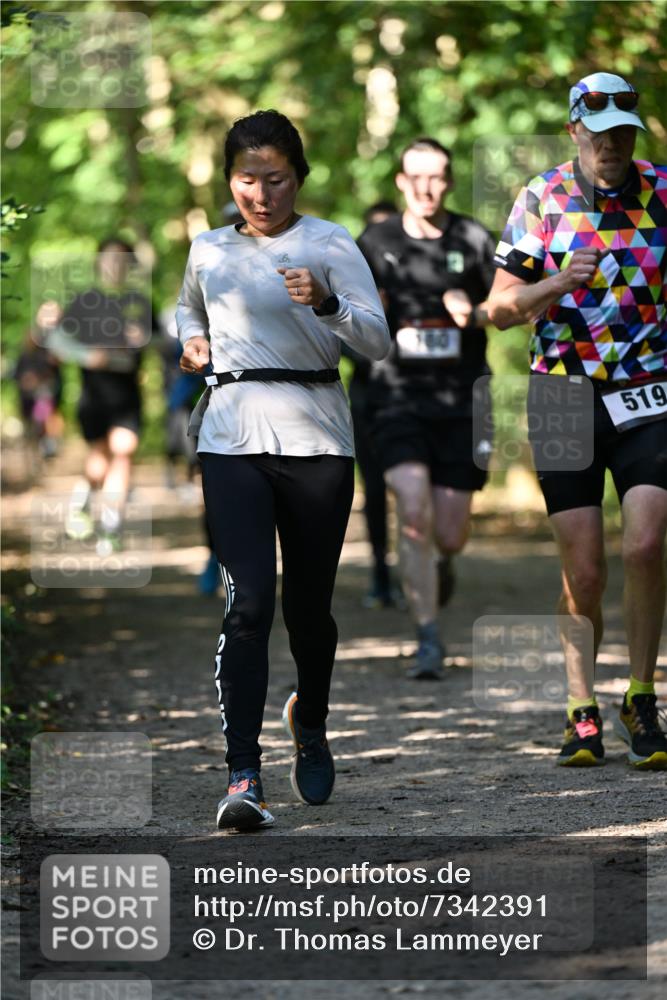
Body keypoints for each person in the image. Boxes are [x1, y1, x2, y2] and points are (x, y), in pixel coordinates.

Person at [176, 110, 390, 831]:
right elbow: (186, 310)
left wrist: (327, 303)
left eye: (275, 179)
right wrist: (196, 341)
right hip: (231, 436)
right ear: (228, 180)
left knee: (307, 611)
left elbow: (378, 342)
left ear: (297, 176)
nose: (261, 194)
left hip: (318, 438)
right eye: (246, 180)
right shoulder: (206, 248)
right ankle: (243, 776)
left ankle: (312, 720)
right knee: (247, 606)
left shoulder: (329, 242)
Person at [487, 72, 667, 770]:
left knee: (646, 545)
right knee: (583, 569)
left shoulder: (660, 190)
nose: (612, 145)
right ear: (574, 132)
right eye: (599, 134)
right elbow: (498, 311)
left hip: (647, 388)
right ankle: (579, 706)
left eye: (623, 131)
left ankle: (641, 695)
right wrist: (557, 282)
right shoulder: (541, 198)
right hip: (560, 392)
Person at [358, 139, 496, 679]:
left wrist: (476, 311)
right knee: (412, 511)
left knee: (450, 532)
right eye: (416, 177)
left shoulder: (473, 238)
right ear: (400, 182)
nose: (426, 188)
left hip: (463, 401)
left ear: (449, 181)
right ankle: (428, 636)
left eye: (437, 177)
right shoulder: (374, 243)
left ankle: (442, 563)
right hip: (396, 396)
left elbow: (510, 305)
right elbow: (345, 313)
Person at [43, 238, 154, 553]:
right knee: (100, 461)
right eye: (109, 258)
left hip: (128, 393)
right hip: (93, 394)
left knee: (124, 450)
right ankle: (82, 499)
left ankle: (111, 526)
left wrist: (144, 338)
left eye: (122, 259)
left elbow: (162, 339)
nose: (115, 265)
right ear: (99, 263)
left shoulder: (140, 301)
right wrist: (87, 355)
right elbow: (56, 341)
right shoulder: (84, 301)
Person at [345, 200, 400, 608]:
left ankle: (430, 563)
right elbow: (338, 342)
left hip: (415, 398)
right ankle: (381, 571)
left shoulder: (417, 281)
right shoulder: (350, 286)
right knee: (376, 489)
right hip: (366, 398)